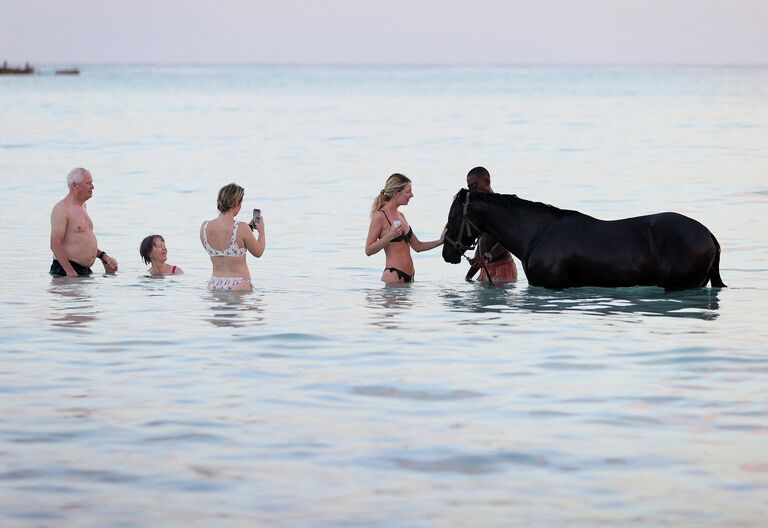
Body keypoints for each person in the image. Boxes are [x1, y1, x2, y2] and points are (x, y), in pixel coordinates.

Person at [365, 173, 446, 283]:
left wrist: (440, 241)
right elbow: (368, 250)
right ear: (397, 194)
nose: (411, 195)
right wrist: (390, 236)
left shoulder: (401, 215)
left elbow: (418, 246)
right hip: (394, 276)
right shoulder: (380, 216)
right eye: (408, 191)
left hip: (410, 277)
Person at [49, 167, 119, 277]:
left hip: (83, 271)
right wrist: (70, 272)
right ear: (74, 185)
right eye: (88, 183)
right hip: (66, 271)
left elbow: (80, 241)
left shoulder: (83, 206)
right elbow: (55, 244)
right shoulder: (62, 209)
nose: (92, 187)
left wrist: (102, 256)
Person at [200, 183, 265, 291]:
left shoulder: (204, 227)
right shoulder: (241, 228)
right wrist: (261, 232)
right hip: (239, 285)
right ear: (237, 204)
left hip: (215, 283)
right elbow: (258, 252)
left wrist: (247, 230)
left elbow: (224, 244)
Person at [465, 166, 518, 283]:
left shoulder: (500, 206)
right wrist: (469, 275)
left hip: (503, 268)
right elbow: (482, 242)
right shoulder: (481, 209)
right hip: (486, 268)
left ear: (487, 182)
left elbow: (507, 240)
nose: (472, 191)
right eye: (469, 188)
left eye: (474, 185)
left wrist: (487, 257)